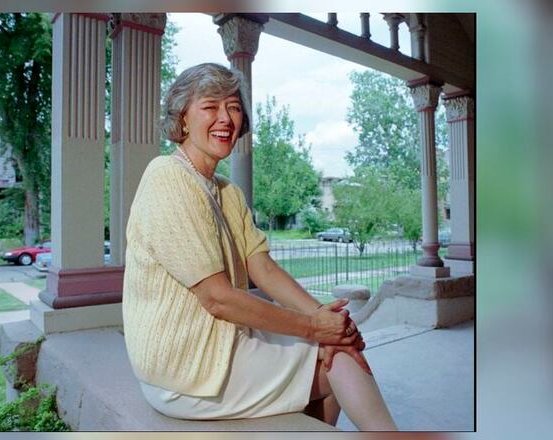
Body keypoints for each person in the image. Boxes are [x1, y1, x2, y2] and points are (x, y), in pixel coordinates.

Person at [122, 63, 397, 431]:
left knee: (339, 350)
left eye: (234, 107)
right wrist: (316, 329)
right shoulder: (168, 178)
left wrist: (329, 322)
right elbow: (217, 298)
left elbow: (262, 268)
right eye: (210, 106)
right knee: (339, 361)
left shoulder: (226, 191)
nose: (225, 118)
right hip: (186, 370)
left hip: (224, 345)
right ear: (183, 118)